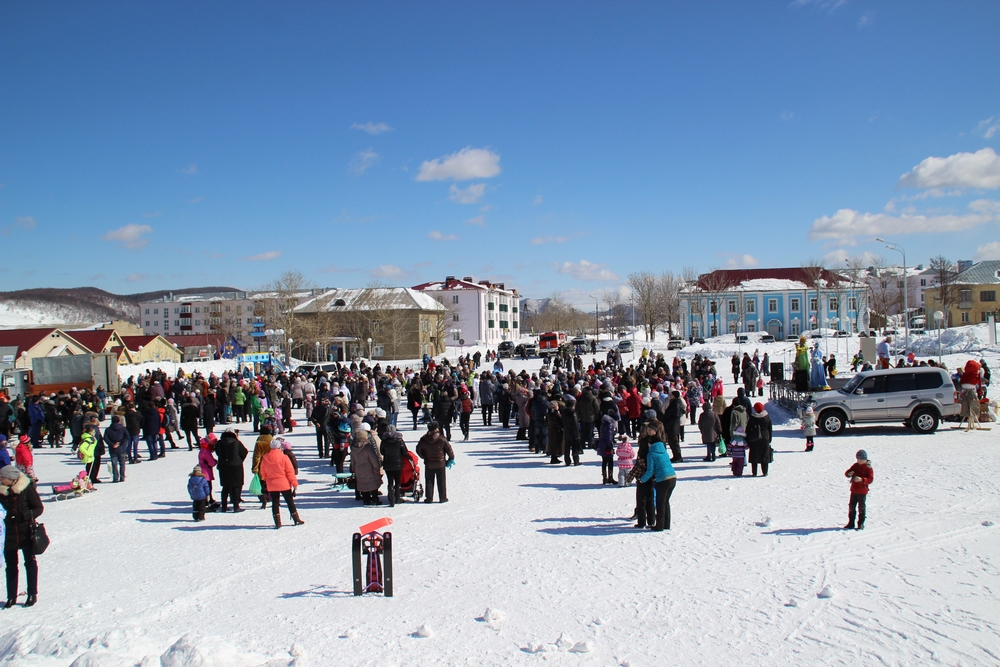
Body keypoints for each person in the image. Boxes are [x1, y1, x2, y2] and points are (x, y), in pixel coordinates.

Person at [0, 465, 43, 608]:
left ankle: (32, 594)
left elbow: (38, 508)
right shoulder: (1, 490)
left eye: (2, 478)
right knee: (11, 565)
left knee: (30, 562)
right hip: (9, 532)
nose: (0, 480)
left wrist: (23, 516)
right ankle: (11, 597)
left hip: (26, 531)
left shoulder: (26, 488)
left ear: (11, 479)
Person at [258, 437, 304, 528]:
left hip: (271, 484)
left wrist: (264, 481)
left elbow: (262, 472)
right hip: (284, 483)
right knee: (290, 502)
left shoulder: (265, 457)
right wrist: (294, 483)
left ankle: (277, 523)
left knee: (275, 503)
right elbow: (290, 472)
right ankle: (296, 519)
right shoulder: (284, 457)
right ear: (280, 447)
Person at [639, 437, 677, 531]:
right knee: (666, 502)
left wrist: (642, 479)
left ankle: (659, 526)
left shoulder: (651, 454)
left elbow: (650, 470)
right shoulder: (664, 452)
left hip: (663, 479)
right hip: (672, 477)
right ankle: (666, 524)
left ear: (651, 444)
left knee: (660, 503)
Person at [416, 422, 454, 503]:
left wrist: (424, 456)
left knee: (429, 481)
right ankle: (443, 498)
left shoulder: (423, 439)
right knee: (441, 481)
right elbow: (449, 449)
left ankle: (429, 498)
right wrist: (451, 458)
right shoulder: (441, 438)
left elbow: (418, 450)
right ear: (436, 428)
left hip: (429, 463)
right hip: (440, 463)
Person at [215, 428, 248, 512]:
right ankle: (236, 506)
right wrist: (240, 460)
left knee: (225, 486)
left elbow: (217, 452)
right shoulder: (237, 443)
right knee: (236, 485)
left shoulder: (219, 443)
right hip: (236, 466)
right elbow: (244, 452)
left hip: (223, 466)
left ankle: (224, 506)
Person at [350, 424, 384, 506]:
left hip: (359, 469)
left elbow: (352, 461)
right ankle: (375, 499)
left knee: (363, 485)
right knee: (373, 483)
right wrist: (377, 468)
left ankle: (366, 500)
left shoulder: (354, 448)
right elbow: (373, 459)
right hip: (369, 468)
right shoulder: (368, 447)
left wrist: (353, 469)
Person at [844, 449, 873, 530]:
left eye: (860, 459)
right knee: (851, 507)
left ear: (865, 459)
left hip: (862, 491)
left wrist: (862, 480)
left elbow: (870, 479)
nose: (859, 461)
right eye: (857, 459)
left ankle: (861, 524)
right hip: (854, 490)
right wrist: (849, 474)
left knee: (861, 508)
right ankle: (851, 523)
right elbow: (847, 472)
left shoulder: (868, 468)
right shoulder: (855, 465)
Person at [380, 425, 408, 507]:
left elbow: (382, 452)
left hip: (388, 463)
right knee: (398, 481)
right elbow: (405, 452)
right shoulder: (399, 440)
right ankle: (397, 498)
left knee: (390, 481)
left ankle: (391, 500)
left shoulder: (384, 441)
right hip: (398, 463)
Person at [746, 402, 773, 477]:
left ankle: (754, 472)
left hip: (754, 438)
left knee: (754, 454)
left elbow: (748, 428)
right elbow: (770, 428)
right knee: (764, 454)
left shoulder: (752, 417)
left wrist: (748, 438)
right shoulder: (766, 416)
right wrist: (769, 438)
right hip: (765, 437)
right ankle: (765, 472)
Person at [102, 415, 129, 483]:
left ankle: (115, 478)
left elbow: (105, 438)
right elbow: (127, 437)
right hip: (121, 449)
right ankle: (122, 477)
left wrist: (112, 444)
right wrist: (120, 443)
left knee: (114, 464)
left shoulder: (108, 429)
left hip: (112, 449)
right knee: (122, 463)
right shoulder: (123, 428)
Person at [596, 410, 617, 484]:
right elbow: (609, 437)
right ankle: (610, 477)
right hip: (607, 446)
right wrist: (611, 446)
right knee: (610, 461)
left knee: (604, 461)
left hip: (601, 444)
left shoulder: (603, 423)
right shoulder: (610, 424)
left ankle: (604, 478)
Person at [728, 402, 748, 476]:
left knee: (735, 458)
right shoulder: (744, 411)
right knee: (741, 446)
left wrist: (732, 432)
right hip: (743, 431)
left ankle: (735, 471)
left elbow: (734, 423)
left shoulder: (734, 412)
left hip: (736, 432)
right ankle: (744, 462)